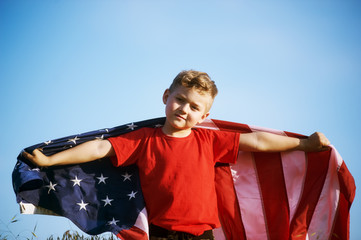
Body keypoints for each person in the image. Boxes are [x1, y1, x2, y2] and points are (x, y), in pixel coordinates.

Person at [23, 70, 330, 240]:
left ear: (205, 114)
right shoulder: (144, 140)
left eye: (195, 106)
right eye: (179, 99)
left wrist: (304, 146)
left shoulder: (208, 140)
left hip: (203, 236)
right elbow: (102, 146)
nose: (184, 108)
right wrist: (50, 161)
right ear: (165, 98)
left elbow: (257, 142)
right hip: (159, 235)